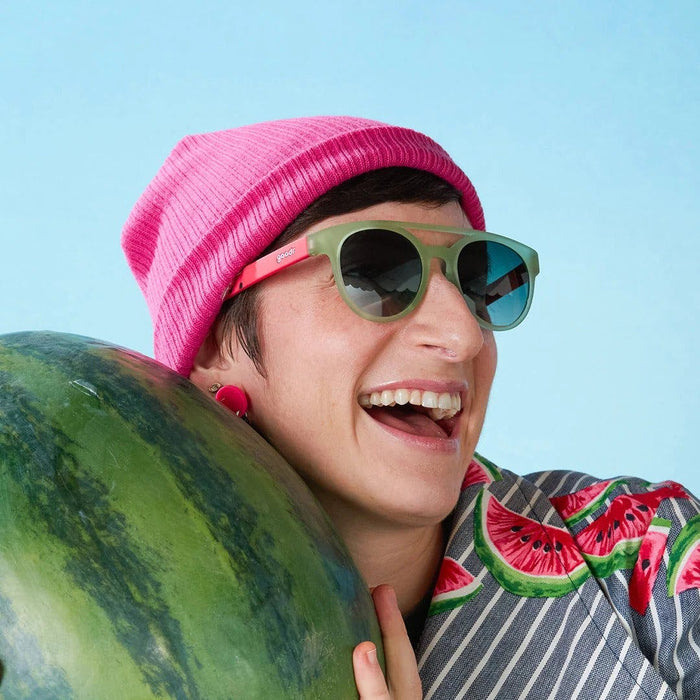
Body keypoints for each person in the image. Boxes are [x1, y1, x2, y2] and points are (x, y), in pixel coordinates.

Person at [122, 116, 700, 699]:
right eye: (376, 274)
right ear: (211, 341)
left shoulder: (657, 556)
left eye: (477, 284)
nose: (464, 335)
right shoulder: (112, 639)